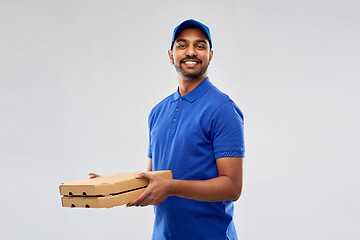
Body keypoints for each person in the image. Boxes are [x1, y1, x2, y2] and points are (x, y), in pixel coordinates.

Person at [91, 19, 245, 240]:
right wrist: (110, 187)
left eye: (200, 46)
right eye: (182, 45)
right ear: (171, 55)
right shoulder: (157, 112)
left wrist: (171, 187)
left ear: (210, 55)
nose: (191, 52)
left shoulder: (223, 109)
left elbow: (232, 187)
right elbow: (153, 180)